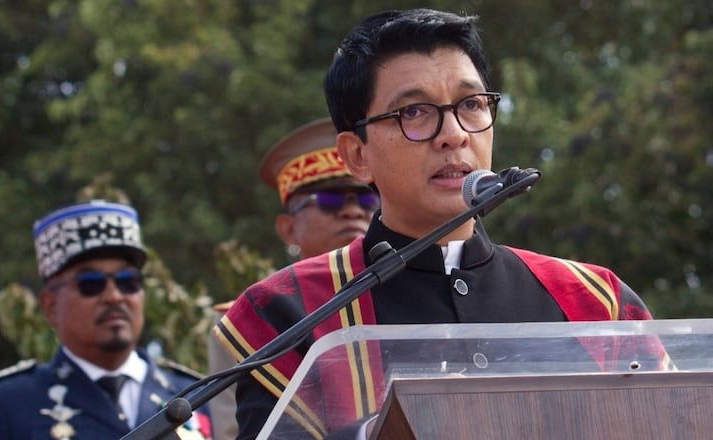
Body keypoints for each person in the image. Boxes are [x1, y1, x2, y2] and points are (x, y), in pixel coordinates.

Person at [214, 8, 666, 439]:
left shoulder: (595, 301)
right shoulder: (289, 311)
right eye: (413, 112)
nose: (454, 134)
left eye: (471, 104)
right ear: (357, 154)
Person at [0, 200, 211, 440]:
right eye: (91, 284)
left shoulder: (198, 395)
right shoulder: (6, 405)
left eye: (128, 281)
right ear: (50, 305)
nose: (114, 296)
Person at [207, 117, 380, 440]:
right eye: (330, 200)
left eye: (367, 199)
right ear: (288, 229)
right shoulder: (249, 322)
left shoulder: (410, 293)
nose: (353, 211)